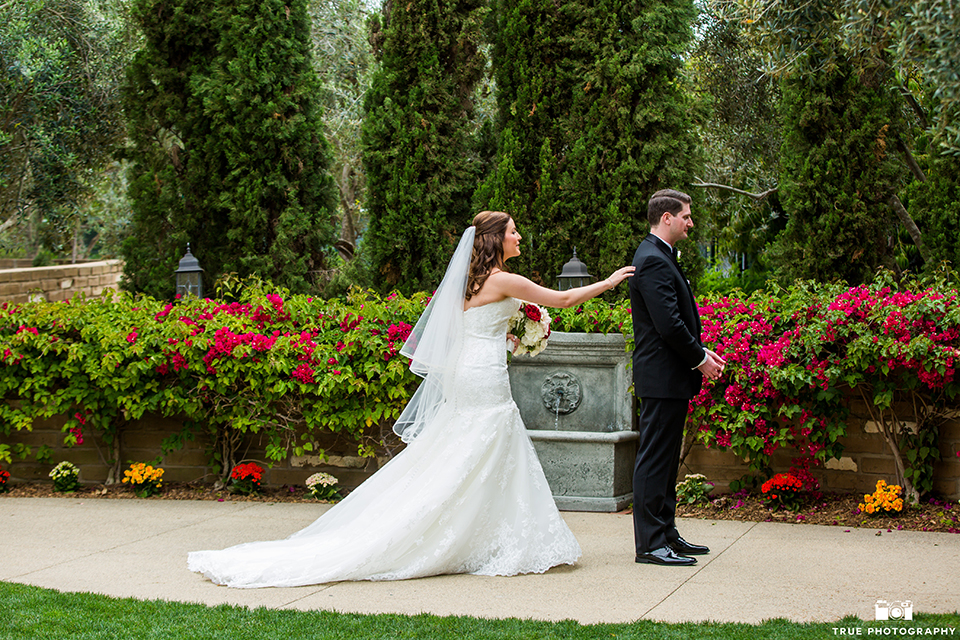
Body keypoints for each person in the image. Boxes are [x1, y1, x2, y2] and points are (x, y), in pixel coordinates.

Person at [188, 210, 634, 587]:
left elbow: (484, 326)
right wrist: (611, 281)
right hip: (483, 376)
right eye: (513, 231)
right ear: (497, 239)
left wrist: (516, 335)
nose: (519, 236)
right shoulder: (504, 280)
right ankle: (477, 536)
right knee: (484, 442)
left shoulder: (471, 281)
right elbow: (564, 296)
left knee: (466, 447)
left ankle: (482, 534)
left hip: (469, 370)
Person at [628, 189, 725, 567]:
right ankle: (650, 545)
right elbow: (668, 325)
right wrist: (699, 359)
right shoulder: (651, 259)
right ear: (666, 217)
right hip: (661, 376)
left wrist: (703, 352)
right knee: (654, 460)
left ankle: (666, 534)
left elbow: (675, 321)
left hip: (669, 376)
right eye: (685, 215)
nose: (690, 222)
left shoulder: (659, 255)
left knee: (666, 461)